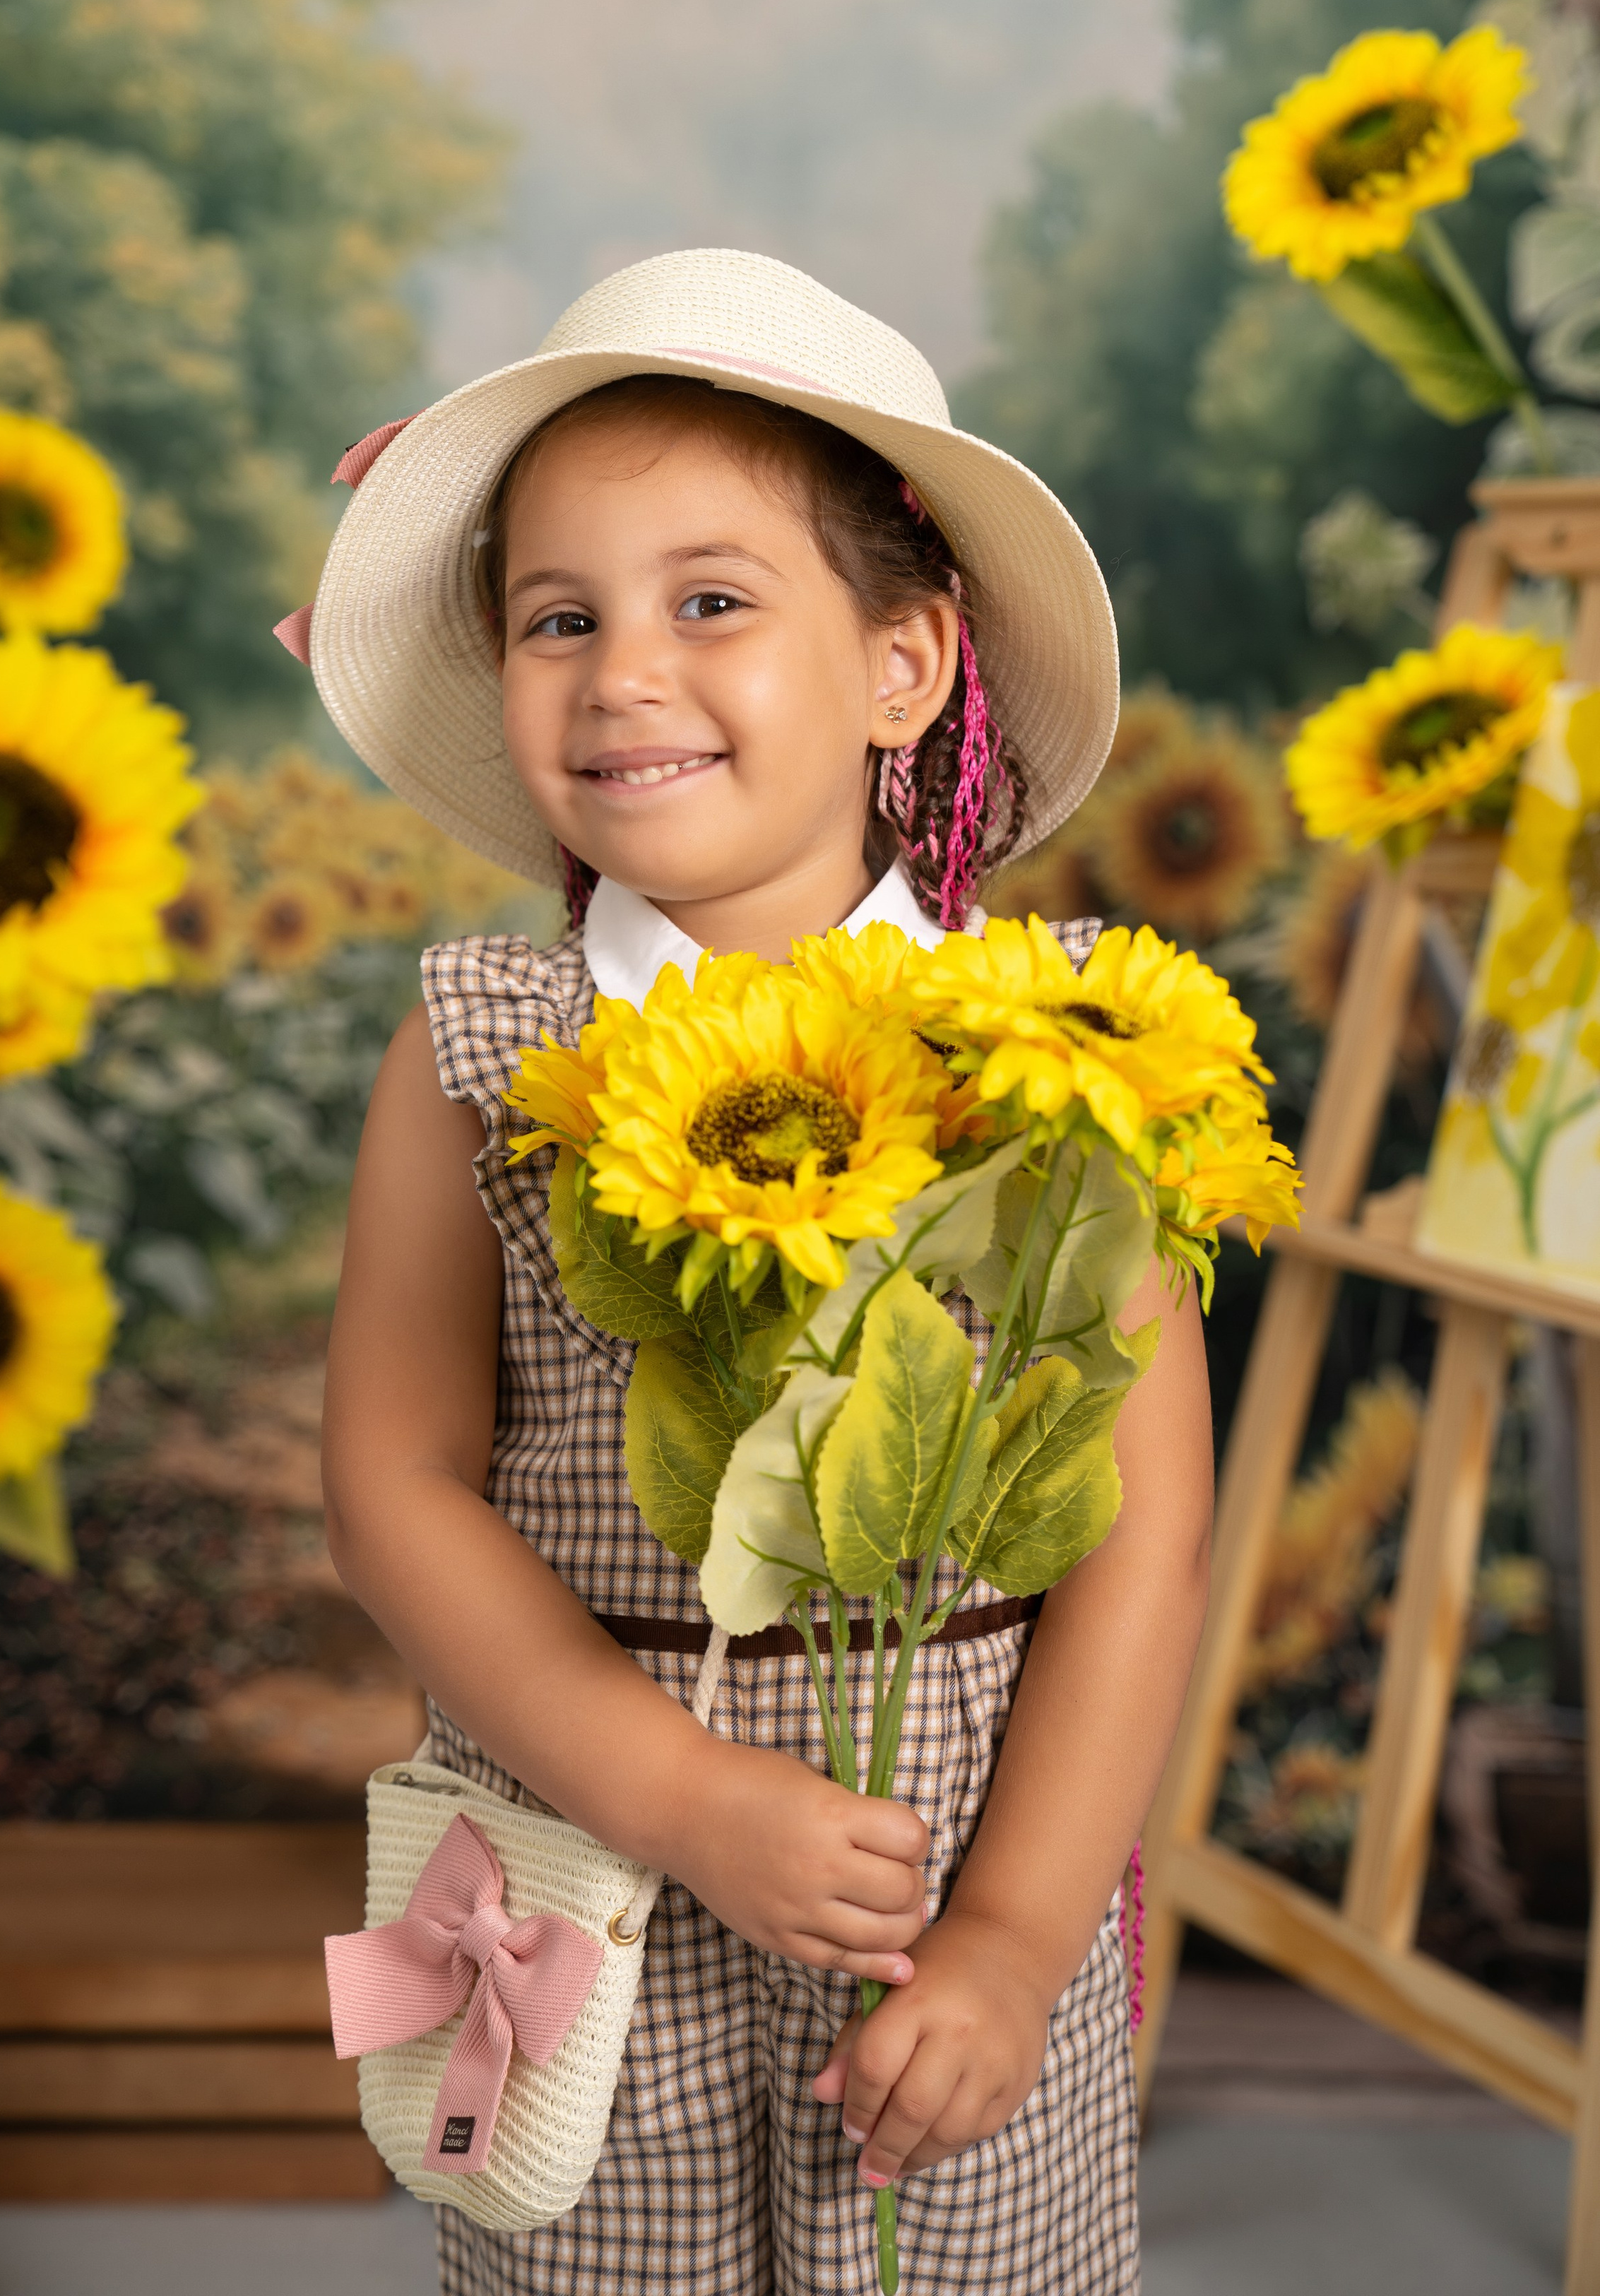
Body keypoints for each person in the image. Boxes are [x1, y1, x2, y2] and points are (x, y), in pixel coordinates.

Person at [315, 249, 1211, 2295]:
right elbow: (390, 1486)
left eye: (711, 600)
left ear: (903, 668)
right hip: (573, 1849)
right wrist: (682, 1795)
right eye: (562, 619)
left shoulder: (1060, 1043)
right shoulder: (479, 1048)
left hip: (964, 1882)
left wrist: (1008, 1939)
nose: (624, 669)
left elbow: (1144, 1535)